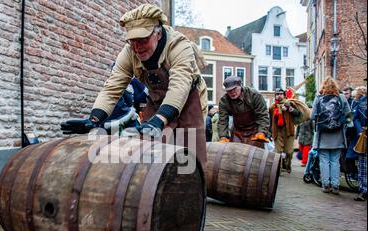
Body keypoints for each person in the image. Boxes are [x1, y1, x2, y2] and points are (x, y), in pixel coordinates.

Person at [61, 4, 208, 170]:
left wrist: (159, 121)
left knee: (189, 157)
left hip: (188, 100)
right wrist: (94, 119)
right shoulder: (129, 53)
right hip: (156, 100)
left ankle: (193, 193)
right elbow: (112, 87)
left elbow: (179, 87)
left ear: (158, 34)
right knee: (146, 151)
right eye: (132, 41)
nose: (137, 48)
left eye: (143, 40)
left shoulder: (179, 45)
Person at [311, 76, 351, 194]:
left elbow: (312, 116)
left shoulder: (318, 98)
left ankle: (325, 185)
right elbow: (349, 115)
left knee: (324, 161)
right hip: (338, 135)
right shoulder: (342, 97)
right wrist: (346, 126)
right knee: (335, 161)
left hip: (323, 136)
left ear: (323, 86)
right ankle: (336, 186)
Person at [218, 76, 270, 149]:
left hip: (255, 131)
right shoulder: (224, 101)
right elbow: (222, 121)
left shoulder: (254, 95)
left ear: (240, 85)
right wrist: (223, 136)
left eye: (234, 89)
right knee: (234, 154)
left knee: (256, 154)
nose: (232, 92)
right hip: (237, 131)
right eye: (229, 90)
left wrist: (261, 132)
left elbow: (262, 115)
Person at [269, 88, 301, 173]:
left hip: (289, 131)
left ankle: (287, 164)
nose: (279, 96)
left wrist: (290, 108)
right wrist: (269, 132)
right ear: (275, 96)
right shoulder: (272, 107)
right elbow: (270, 121)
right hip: (277, 132)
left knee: (289, 152)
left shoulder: (290, 104)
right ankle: (277, 170)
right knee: (278, 152)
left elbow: (298, 113)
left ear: (284, 95)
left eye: (281, 94)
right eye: (277, 94)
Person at [351, 86, 367, 201]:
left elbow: (354, 118)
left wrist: (360, 131)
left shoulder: (358, 104)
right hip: (363, 135)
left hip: (363, 136)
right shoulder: (359, 103)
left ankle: (364, 190)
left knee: (363, 164)